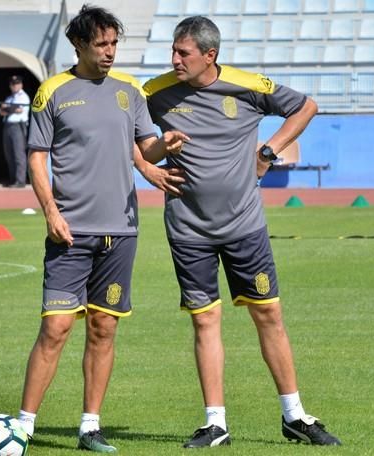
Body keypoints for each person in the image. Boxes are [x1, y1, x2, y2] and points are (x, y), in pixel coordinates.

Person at [143, 16, 341, 448]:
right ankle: (215, 424)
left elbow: (306, 106)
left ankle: (295, 415)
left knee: (268, 314)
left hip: (244, 227)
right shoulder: (153, 93)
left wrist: (268, 152)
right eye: (173, 51)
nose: (174, 59)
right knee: (205, 320)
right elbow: (138, 144)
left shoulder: (248, 85)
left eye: (183, 53)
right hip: (188, 229)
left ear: (209, 55)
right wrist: (156, 156)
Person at [17, 4, 187, 453]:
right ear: (79, 44)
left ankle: (90, 425)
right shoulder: (51, 92)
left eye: (114, 43)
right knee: (55, 329)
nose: (110, 52)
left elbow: (145, 148)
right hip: (68, 233)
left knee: (103, 330)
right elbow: (37, 156)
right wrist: (51, 213)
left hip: (121, 232)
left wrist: (161, 146)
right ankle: (22, 426)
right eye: (101, 44)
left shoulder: (130, 90)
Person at [0, 74, 31, 188]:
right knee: (9, 154)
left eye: (17, 83)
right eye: (12, 84)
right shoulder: (10, 98)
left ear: (21, 84)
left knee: (18, 154)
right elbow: (1, 111)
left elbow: (19, 110)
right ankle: (13, 180)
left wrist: (7, 108)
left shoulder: (23, 97)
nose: (15, 86)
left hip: (18, 126)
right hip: (7, 125)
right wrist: (8, 109)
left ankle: (20, 180)